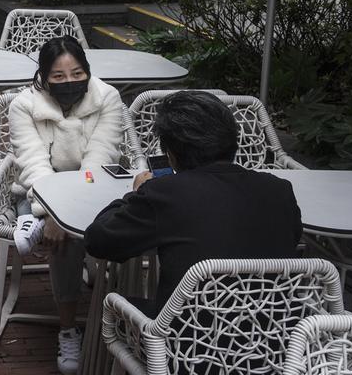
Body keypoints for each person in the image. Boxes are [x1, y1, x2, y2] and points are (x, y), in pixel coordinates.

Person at [85, 90, 303, 313]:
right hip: (277, 335)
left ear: (171, 153)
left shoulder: (165, 194)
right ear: (232, 140)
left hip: (186, 341)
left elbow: (98, 240)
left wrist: (138, 191)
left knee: (110, 304)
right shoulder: (279, 190)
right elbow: (293, 238)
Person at [7, 36, 124, 374]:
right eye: (58, 76)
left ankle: (127, 317)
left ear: (87, 71)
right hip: (37, 192)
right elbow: (34, 164)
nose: (69, 82)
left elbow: (99, 160)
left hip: (96, 188)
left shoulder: (107, 98)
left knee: (87, 230)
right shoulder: (23, 105)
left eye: (77, 73)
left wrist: (73, 210)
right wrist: (54, 213)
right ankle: (68, 329)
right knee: (67, 241)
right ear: (43, 77)